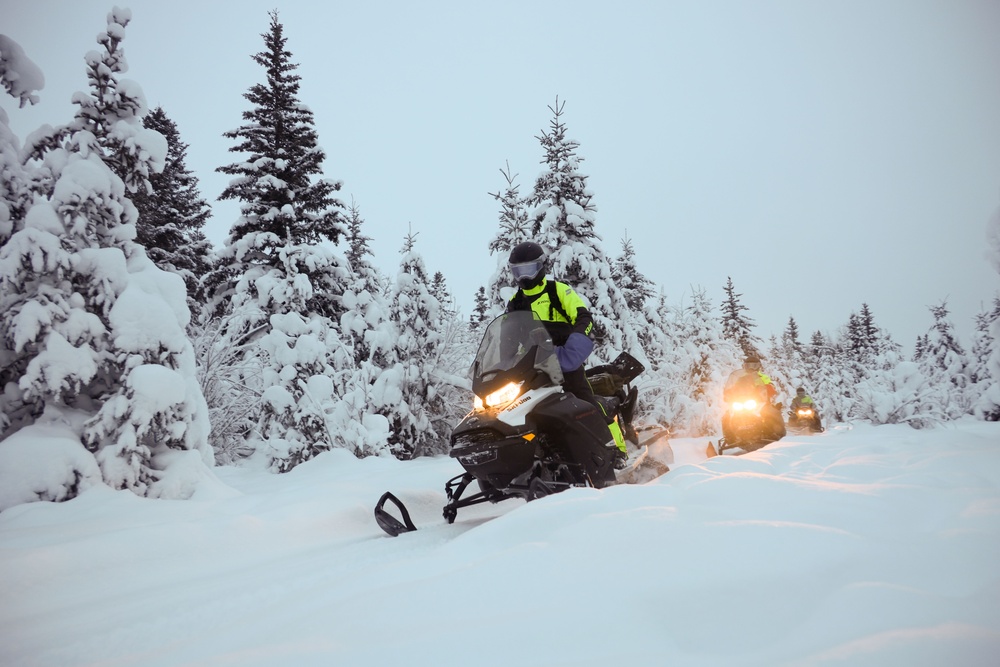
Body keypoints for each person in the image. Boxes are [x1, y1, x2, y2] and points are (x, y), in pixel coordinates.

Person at [505, 241, 628, 466]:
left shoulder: (557, 291)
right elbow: (508, 337)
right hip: (533, 367)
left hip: (564, 360)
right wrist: (503, 361)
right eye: (518, 271)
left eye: (528, 270)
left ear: (541, 267)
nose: (524, 277)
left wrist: (573, 346)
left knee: (586, 400)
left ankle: (617, 449)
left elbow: (583, 318)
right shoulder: (516, 303)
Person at [721, 354, 785, 444]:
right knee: (727, 416)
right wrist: (728, 394)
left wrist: (763, 385)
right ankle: (729, 438)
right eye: (748, 365)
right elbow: (733, 388)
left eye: (754, 365)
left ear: (758, 366)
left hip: (761, 402)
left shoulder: (763, 377)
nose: (751, 368)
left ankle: (777, 434)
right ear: (744, 366)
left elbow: (771, 389)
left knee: (772, 412)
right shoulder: (741, 378)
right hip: (743, 402)